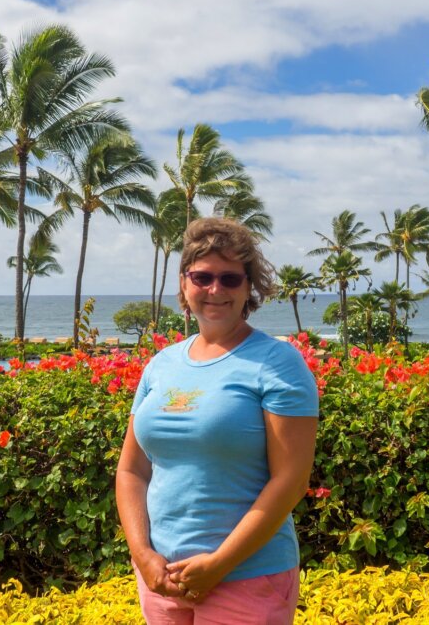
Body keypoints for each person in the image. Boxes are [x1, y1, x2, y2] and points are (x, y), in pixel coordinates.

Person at [116, 217, 319, 624]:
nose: (215, 290)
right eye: (202, 276)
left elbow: (291, 481)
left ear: (248, 287)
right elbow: (132, 469)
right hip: (162, 578)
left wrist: (219, 564)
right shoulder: (161, 364)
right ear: (184, 282)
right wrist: (143, 555)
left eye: (229, 279)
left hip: (248, 576)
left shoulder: (277, 363)